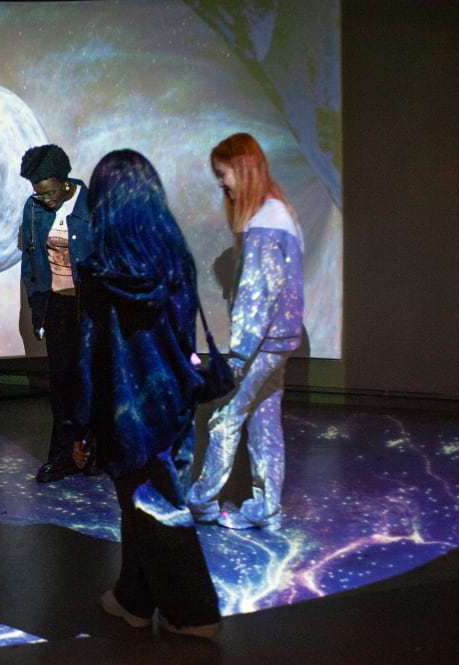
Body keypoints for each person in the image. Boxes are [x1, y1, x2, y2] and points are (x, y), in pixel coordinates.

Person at [70, 149, 221, 638]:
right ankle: (133, 599)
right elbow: (183, 334)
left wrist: (81, 425)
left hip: (125, 411)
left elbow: (91, 356)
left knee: (154, 510)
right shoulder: (175, 256)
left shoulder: (98, 271)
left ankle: (193, 613)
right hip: (175, 401)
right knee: (147, 503)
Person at [186, 133, 304, 531]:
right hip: (281, 340)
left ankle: (200, 501)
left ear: (243, 168)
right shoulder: (281, 214)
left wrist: (236, 359)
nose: (221, 183)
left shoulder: (265, 223)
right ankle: (266, 507)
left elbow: (258, 295)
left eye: (223, 174)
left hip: (262, 344)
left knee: (224, 417)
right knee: (264, 420)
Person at [17, 144, 100, 483]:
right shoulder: (33, 208)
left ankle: (93, 454)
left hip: (90, 305)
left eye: (51, 193)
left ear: (66, 182)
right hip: (56, 306)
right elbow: (30, 260)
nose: (46, 200)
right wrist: (38, 307)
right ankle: (63, 456)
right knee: (62, 383)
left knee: (92, 382)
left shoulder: (93, 204)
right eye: (39, 193)